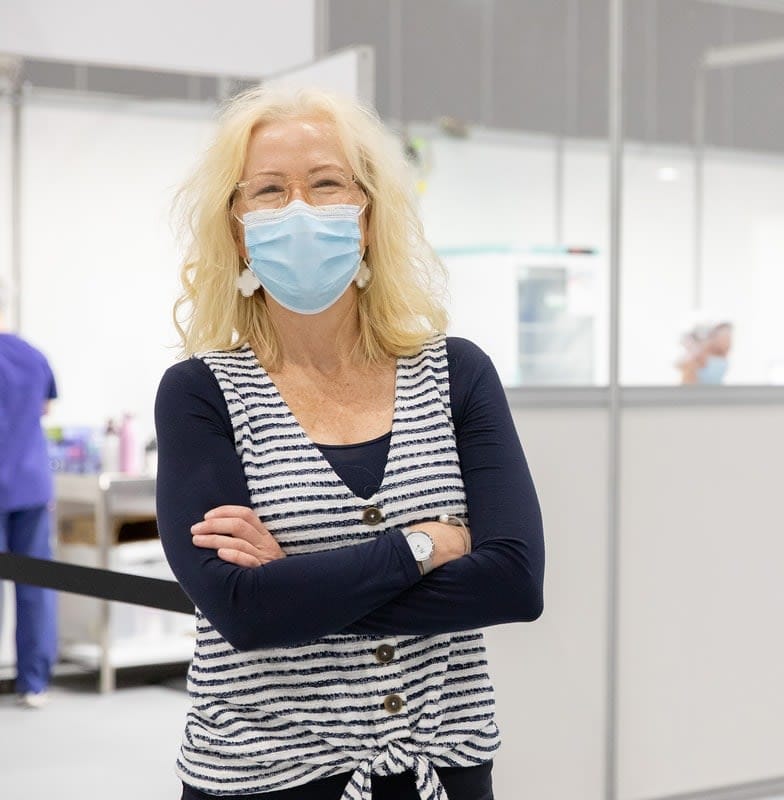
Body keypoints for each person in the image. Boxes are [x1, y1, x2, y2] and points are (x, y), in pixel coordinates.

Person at [155, 87, 544, 800]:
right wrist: (422, 547)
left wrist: (297, 588)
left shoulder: (457, 373)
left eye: (326, 183)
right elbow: (241, 611)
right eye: (269, 190)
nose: (300, 209)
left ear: (368, 215)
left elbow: (515, 583)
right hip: (265, 777)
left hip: (443, 772)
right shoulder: (200, 393)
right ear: (237, 230)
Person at [0, 280, 59, 709]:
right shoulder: (33, 356)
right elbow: (44, 409)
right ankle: (34, 683)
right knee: (35, 586)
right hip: (31, 486)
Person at [677, 321, 733, 385]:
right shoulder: (703, 351)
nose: (728, 341)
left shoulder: (722, 355)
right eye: (725, 336)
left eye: (729, 337)